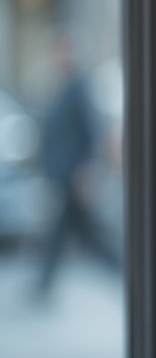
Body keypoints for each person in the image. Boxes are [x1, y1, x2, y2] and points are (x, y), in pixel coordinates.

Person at [33, 34, 122, 300]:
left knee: (82, 234)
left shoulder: (80, 86)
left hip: (74, 175)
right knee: (78, 233)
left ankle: (128, 271)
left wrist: (88, 172)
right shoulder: (63, 86)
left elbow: (94, 132)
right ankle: (45, 283)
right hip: (63, 175)